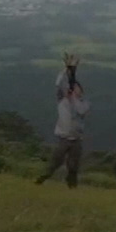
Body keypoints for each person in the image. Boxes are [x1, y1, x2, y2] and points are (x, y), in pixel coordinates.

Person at [38, 53, 91, 188]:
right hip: (64, 138)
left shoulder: (84, 103)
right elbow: (59, 83)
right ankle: (40, 180)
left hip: (77, 139)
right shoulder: (62, 101)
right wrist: (68, 69)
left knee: (73, 166)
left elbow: (80, 110)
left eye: (77, 89)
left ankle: (72, 187)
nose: (75, 90)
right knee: (55, 162)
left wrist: (72, 96)